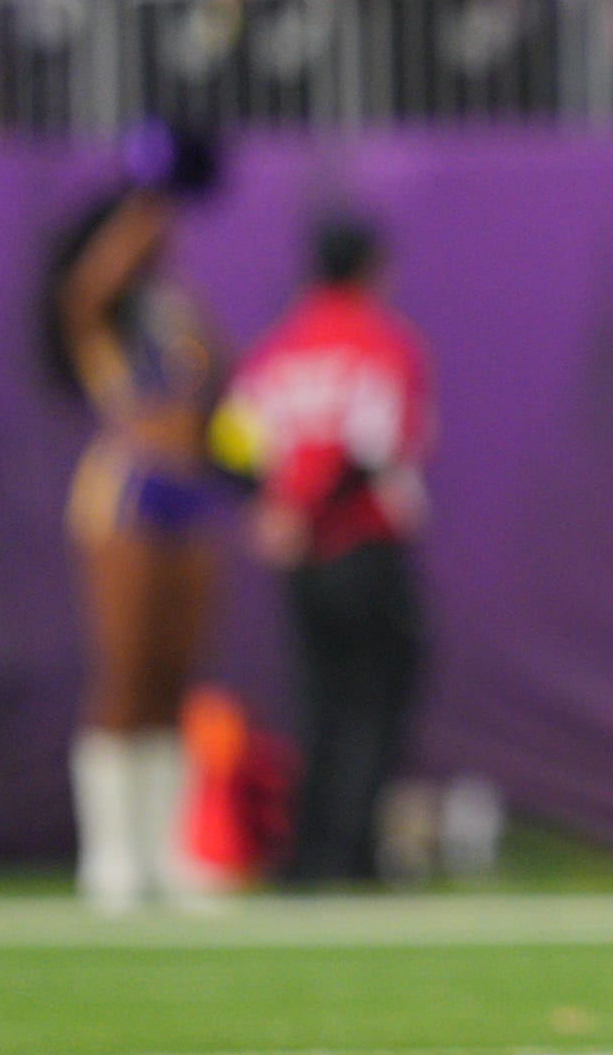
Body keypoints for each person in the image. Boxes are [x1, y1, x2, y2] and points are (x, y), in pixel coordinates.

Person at [215, 214, 434, 887]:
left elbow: (228, 440)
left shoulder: (277, 348)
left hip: (301, 555)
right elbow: (371, 449)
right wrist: (307, 510)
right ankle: (352, 852)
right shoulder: (380, 340)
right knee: (374, 697)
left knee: (316, 699)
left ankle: (307, 852)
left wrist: (270, 506)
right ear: (372, 266)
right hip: (360, 543)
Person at [42, 123, 226, 914]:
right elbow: (84, 289)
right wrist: (142, 203)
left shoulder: (174, 309)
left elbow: (219, 375)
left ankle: (163, 852)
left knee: (170, 675)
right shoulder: (97, 311)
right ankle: (110, 856)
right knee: (121, 670)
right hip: (126, 485)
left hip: (191, 486)